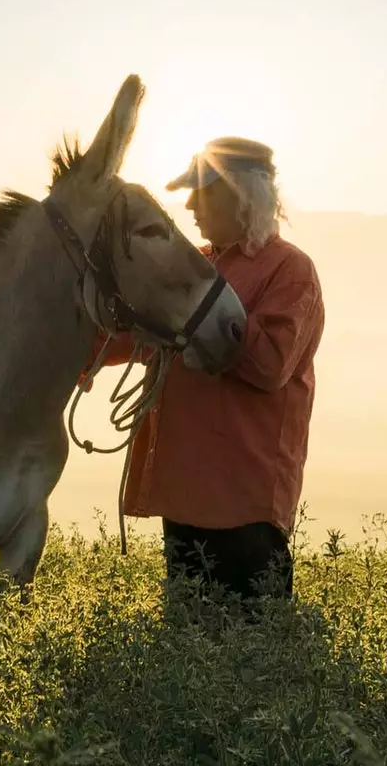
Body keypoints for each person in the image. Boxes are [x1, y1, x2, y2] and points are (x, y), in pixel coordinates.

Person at [85, 137, 324, 604]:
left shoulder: (290, 270)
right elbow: (134, 334)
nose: (190, 204)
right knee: (189, 645)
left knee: (251, 651)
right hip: (183, 490)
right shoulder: (195, 264)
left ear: (243, 196)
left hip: (244, 499)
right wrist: (72, 355)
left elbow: (270, 364)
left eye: (204, 192)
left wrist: (199, 316)